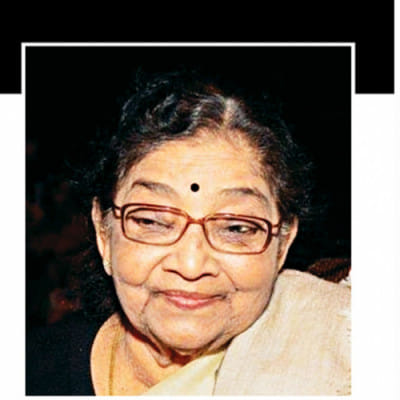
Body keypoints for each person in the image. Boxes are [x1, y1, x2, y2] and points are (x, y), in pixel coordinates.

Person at [26, 69, 350, 395]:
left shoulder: (335, 371)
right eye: (152, 222)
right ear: (103, 232)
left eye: (235, 228)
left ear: (283, 243)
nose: (191, 266)